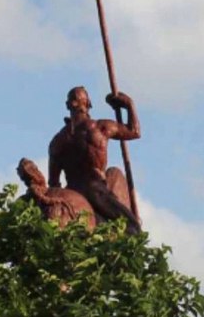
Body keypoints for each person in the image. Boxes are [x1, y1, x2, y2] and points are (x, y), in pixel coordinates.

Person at [48, 86, 140, 233]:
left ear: (68, 105)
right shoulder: (99, 128)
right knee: (133, 228)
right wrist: (129, 104)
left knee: (101, 227)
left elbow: (53, 183)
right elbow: (134, 131)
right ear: (89, 104)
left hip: (72, 192)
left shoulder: (57, 142)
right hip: (95, 190)